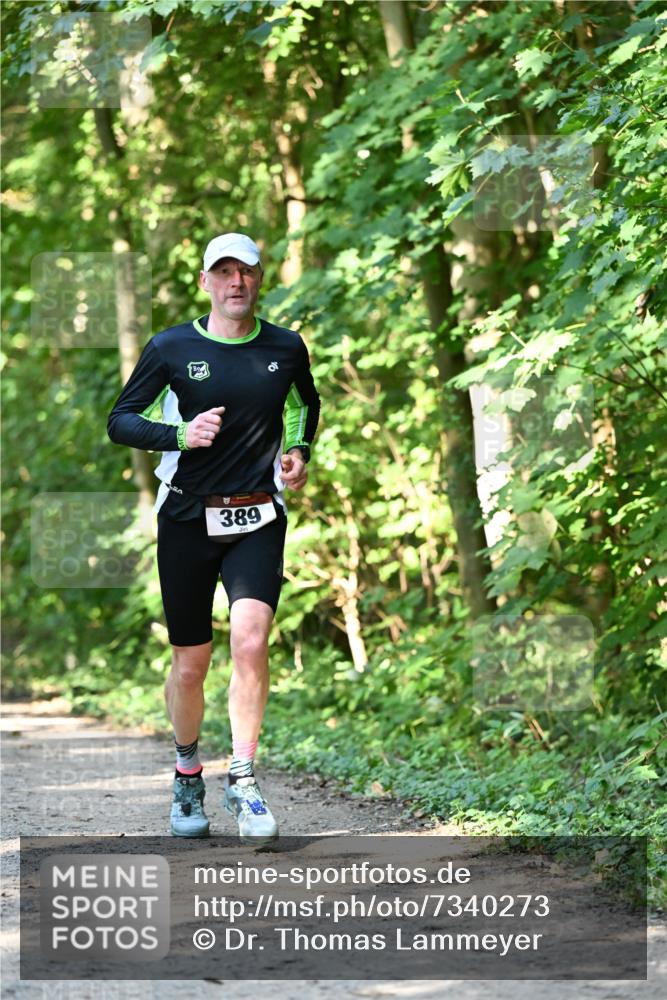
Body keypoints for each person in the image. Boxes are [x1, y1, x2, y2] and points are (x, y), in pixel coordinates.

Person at [107, 233, 320, 844]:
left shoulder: (284, 347)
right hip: (186, 519)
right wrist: (180, 436)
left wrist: (300, 450)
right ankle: (187, 771)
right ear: (205, 282)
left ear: (259, 280)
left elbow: (305, 404)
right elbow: (121, 420)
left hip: (257, 516)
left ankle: (245, 779)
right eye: (222, 272)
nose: (235, 283)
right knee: (191, 664)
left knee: (251, 642)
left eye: (245, 272)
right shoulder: (172, 347)